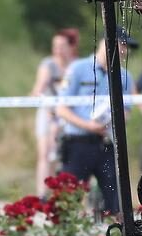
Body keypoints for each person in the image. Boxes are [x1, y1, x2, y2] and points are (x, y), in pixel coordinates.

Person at [55, 30, 136, 219]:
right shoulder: (78, 69)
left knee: (116, 199)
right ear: (109, 43)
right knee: (68, 199)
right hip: (77, 143)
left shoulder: (125, 76)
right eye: (123, 45)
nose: (125, 51)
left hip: (105, 142)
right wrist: (87, 125)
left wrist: (110, 122)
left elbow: (126, 111)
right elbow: (62, 108)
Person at [31, 27, 78, 196]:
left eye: (61, 45)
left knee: (65, 155)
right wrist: (40, 95)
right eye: (55, 45)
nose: (57, 49)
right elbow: (39, 87)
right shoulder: (48, 64)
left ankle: (63, 193)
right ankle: (42, 193)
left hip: (69, 114)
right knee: (44, 152)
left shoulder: (76, 65)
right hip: (48, 112)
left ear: (70, 47)